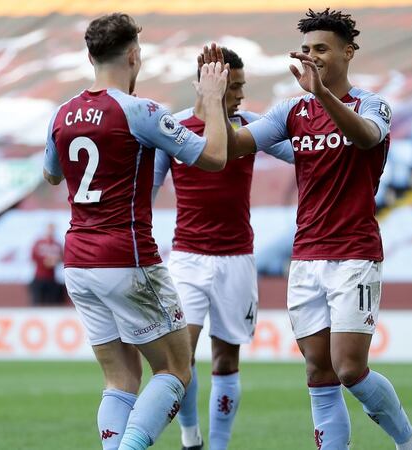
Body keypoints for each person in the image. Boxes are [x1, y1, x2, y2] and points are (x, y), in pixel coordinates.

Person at [208, 9, 412, 450]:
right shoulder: (292, 111)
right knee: (318, 372)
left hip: (354, 254)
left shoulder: (372, 105)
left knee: (349, 368)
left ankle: (410, 444)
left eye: (322, 49)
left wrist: (323, 95)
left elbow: (367, 137)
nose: (311, 57)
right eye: (307, 49)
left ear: (349, 52)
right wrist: (213, 100)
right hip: (306, 258)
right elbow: (232, 147)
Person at [42, 13, 230, 450]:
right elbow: (215, 157)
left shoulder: (62, 114)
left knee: (121, 377)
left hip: (79, 262)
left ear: (90, 57)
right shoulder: (139, 111)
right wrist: (213, 100)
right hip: (126, 258)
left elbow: (52, 175)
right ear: (132, 56)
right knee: (176, 369)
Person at [153, 47, 294, 450]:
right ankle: (190, 437)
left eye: (242, 86)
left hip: (237, 260)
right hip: (187, 259)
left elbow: (303, 157)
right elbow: (147, 192)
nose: (240, 94)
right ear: (206, 84)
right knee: (180, 357)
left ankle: (218, 446)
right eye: (232, 87)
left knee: (226, 360)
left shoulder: (249, 126)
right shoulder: (173, 128)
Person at [29, 223, 64, 306]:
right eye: (49, 229)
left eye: (52, 229)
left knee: (52, 304)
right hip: (39, 277)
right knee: (37, 303)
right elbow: (34, 257)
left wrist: (55, 261)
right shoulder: (39, 243)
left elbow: (62, 258)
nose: (51, 231)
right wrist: (46, 261)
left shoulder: (57, 244)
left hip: (52, 279)